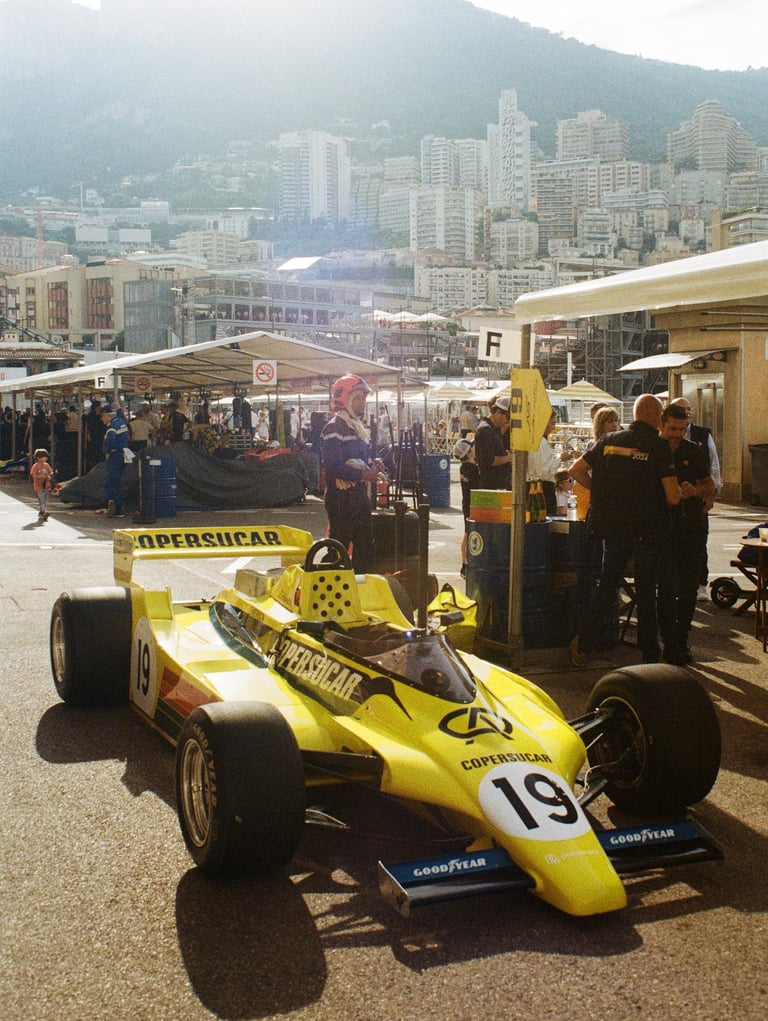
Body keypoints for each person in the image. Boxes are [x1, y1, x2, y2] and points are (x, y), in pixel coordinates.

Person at [568, 394, 682, 666]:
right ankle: (650, 655)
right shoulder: (658, 446)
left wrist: (602, 491)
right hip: (647, 529)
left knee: (607, 586)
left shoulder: (609, 442)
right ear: (657, 418)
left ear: (634, 414)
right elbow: (673, 497)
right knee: (646, 592)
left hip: (613, 529)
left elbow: (575, 470)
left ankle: (583, 646)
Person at [657, 403, 716, 664]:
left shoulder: (693, 450)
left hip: (691, 528)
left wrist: (697, 491)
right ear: (661, 425)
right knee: (668, 588)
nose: (676, 434)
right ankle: (669, 642)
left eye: (681, 429)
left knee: (689, 588)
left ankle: (681, 639)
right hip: (664, 529)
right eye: (672, 428)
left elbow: (709, 485)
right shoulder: (654, 451)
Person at [320, 374, 380, 573]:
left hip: (359, 496)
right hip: (341, 499)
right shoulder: (333, 427)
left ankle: (362, 594)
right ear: (344, 400)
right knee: (338, 551)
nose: (362, 403)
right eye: (357, 399)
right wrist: (362, 474)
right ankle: (329, 594)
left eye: (363, 399)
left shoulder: (359, 429)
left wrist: (374, 465)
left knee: (366, 550)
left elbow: (364, 459)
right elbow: (332, 465)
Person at [669, 396, 721, 597]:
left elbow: (713, 466)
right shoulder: (663, 441)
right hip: (672, 508)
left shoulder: (701, 435)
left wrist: (711, 494)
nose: (686, 413)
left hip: (696, 501)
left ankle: (701, 583)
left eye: (689, 409)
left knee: (699, 543)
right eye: (682, 409)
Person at [453, 437, 480, 578]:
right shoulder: (471, 468)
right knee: (470, 533)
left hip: (466, 503)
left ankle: (464, 563)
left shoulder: (464, 468)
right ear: (468, 453)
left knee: (467, 532)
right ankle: (467, 563)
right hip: (472, 503)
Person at [527, 409, 561, 516]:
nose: (554, 427)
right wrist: (560, 459)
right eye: (552, 423)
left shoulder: (535, 440)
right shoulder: (540, 443)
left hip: (535, 486)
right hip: (542, 488)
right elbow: (543, 472)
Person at [474, 396, 512, 489]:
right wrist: (509, 458)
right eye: (507, 417)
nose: (508, 421)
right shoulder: (485, 430)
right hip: (490, 484)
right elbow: (488, 460)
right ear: (498, 412)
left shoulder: (494, 429)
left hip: (497, 483)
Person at [102, 404, 130, 518]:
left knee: (112, 481)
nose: (102, 419)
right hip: (123, 453)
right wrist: (119, 408)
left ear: (107, 416)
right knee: (116, 480)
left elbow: (111, 439)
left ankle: (116, 507)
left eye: (103, 417)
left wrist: (108, 451)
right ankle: (116, 505)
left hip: (115, 455)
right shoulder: (121, 422)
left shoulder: (112, 426)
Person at [30, 448, 54, 522]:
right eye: (44, 457)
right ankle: (44, 512)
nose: (46, 458)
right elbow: (33, 475)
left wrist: (49, 476)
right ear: (38, 458)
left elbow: (51, 472)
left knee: (45, 499)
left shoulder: (46, 465)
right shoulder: (35, 466)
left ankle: (41, 511)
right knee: (42, 499)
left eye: (46, 457)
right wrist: (40, 476)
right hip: (38, 486)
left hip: (46, 485)